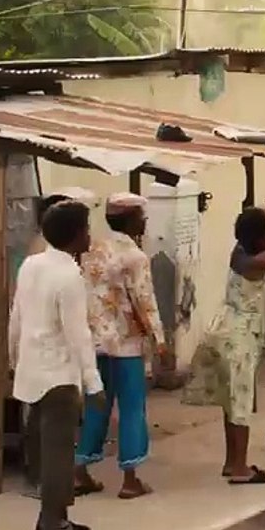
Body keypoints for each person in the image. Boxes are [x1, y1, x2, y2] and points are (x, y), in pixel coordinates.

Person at [184, 189, 265, 486]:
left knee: (231, 404)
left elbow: (264, 229)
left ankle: (232, 462)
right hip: (240, 337)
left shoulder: (239, 253)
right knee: (240, 403)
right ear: (261, 238)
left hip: (224, 329)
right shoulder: (257, 263)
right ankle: (240, 467)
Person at [10, 200, 100, 530]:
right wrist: (94, 383)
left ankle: (56, 519)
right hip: (59, 376)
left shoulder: (31, 265)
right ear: (76, 234)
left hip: (32, 372)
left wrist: (14, 359)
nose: (90, 235)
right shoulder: (69, 276)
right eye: (87, 228)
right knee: (58, 456)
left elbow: (17, 317)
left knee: (46, 453)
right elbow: (78, 334)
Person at [74, 193, 168, 500]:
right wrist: (160, 342)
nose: (145, 222)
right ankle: (129, 479)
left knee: (96, 405)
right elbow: (145, 302)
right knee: (131, 408)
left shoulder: (92, 250)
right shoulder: (135, 257)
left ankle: (80, 471)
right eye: (142, 217)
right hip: (126, 344)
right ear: (131, 220)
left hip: (95, 341)